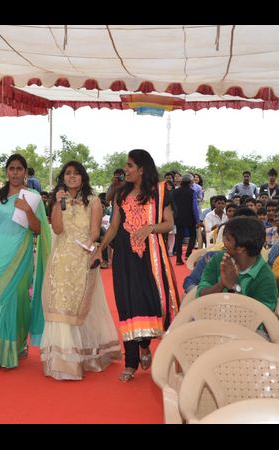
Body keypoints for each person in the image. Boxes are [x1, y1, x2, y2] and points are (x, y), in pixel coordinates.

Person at [91, 149, 179, 382]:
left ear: (142, 169)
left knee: (149, 301)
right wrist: (100, 249)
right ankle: (131, 362)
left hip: (151, 257)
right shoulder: (121, 194)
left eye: (129, 165)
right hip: (124, 256)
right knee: (127, 303)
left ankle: (144, 343)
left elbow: (169, 224)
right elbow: (113, 226)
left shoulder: (160, 192)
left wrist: (150, 228)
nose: (126, 169)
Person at [40, 161, 121, 380]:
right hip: (60, 258)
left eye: (76, 173)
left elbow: (95, 231)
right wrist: (57, 205)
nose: (72, 177)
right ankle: (62, 361)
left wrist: (85, 246)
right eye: (68, 173)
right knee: (59, 304)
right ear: (63, 178)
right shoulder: (59, 200)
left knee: (81, 305)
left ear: (83, 177)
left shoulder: (93, 201)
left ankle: (85, 354)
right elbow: (57, 229)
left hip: (82, 257)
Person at [0, 154, 51, 370]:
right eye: (11, 168)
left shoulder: (32, 196)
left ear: (25, 172)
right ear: (6, 171)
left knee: (17, 301)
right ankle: (4, 348)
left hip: (19, 254)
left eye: (19, 169)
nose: (15, 172)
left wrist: (27, 210)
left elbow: (38, 229)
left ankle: (10, 349)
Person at [196, 216, 278, 313]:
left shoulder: (265, 277)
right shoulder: (219, 260)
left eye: (228, 239)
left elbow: (264, 317)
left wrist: (234, 287)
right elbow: (200, 296)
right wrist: (221, 285)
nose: (223, 242)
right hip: (209, 319)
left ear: (241, 249)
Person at [171, 173, 200, 265]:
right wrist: (197, 220)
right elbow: (195, 207)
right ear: (190, 182)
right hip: (190, 217)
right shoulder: (192, 192)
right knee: (193, 235)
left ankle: (178, 259)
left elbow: (172, 206)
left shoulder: (174, 192)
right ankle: (188, 254)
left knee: (179, 237)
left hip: (178, 217)